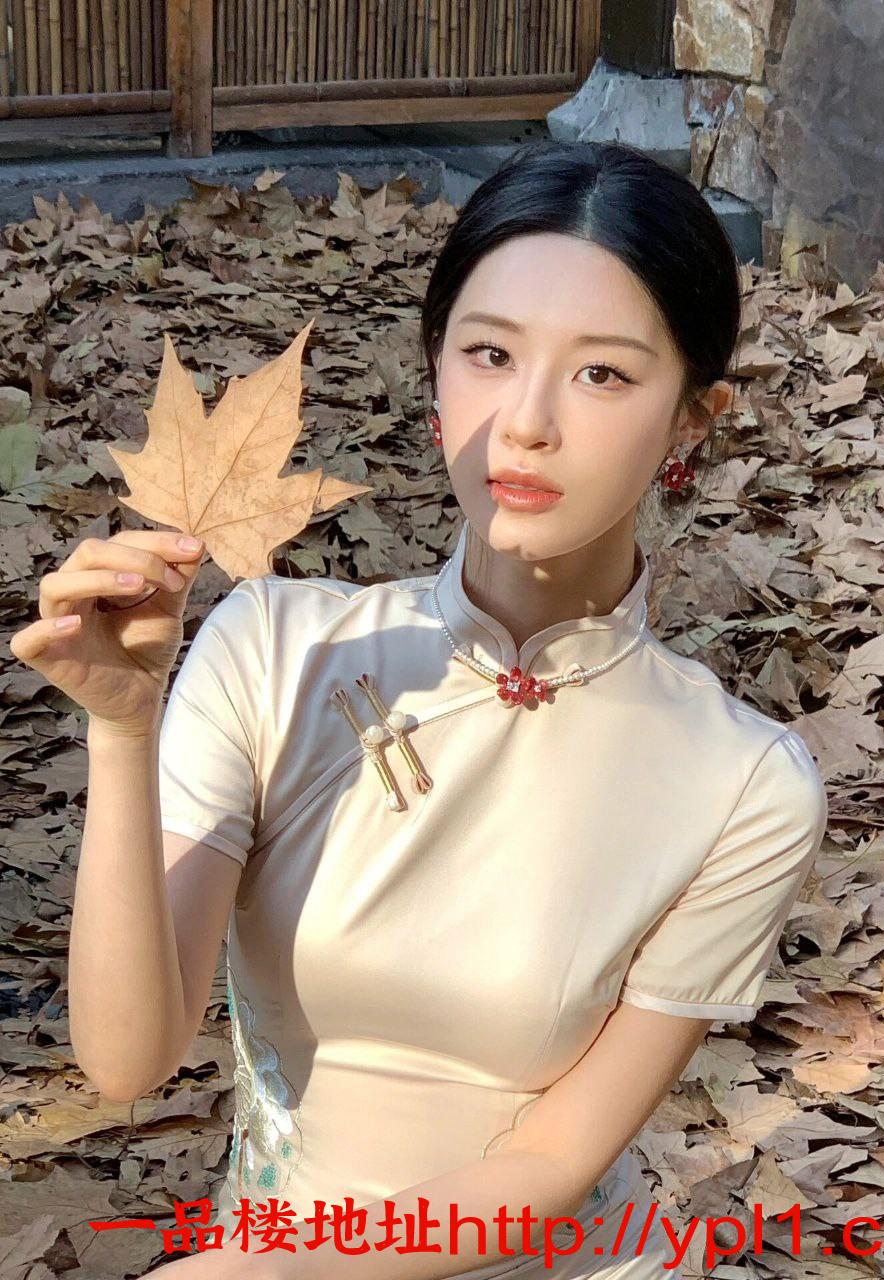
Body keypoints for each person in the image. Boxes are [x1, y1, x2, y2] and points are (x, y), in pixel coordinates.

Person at [10, 139, 828, 1280]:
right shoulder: (275, 647)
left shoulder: (743, 782)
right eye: (489, 353)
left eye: (602, 374)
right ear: (435, 369)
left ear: (693, 419)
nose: (527, 420)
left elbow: (552, 1161)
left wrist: (275, 1272)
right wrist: (121, 728)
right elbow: (125, 1058)